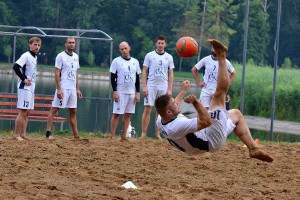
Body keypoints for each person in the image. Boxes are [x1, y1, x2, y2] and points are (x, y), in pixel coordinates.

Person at [155, 39, 273, 163]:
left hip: (206, 140)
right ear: (168, 112)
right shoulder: (176, 126)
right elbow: (206, 121)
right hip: (211, 139)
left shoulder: (161, 119)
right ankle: (222, 55)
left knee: (236, 114)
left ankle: (253, 148)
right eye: (174, 103)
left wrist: (183, 91)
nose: (177, 103)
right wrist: (196, 102)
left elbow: (174, 105)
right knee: (219, 94)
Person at [46, 37, 82, 139]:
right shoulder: (60, 56)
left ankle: (76, 135)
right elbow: (57, 74)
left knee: (73, 111)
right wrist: (59, 89)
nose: (71, 44)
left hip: (72, 89)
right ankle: (48, 133)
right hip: (63, 87)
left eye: (73, 43)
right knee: (54, 109)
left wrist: (77, 89)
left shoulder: (76, 56)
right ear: (65, 44)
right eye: (69, 42)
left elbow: (75, 73)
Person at [140, 35, 175, 139]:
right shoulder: (149, 55)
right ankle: (143, 134)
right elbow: (144, 71)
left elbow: (171, 73)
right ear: (156, 43)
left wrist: (169, 89)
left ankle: (157, 134)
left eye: (162, 43)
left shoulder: (169, 57)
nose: (160, 45)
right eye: (159, 43)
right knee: (148, 108)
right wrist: (144, 86)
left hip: (163, 86)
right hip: (151, 85)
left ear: (165, 44)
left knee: (161, 110)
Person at [110, 41, 141, 141]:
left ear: (129, 48)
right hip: (121, 92)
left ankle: (123, 136)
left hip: (131, 93)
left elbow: (137, 78)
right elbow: (112, 77)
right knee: (116, 114)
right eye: (122, 49)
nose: (124, 50)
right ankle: (113, 136)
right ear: (120, 50)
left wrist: (138, 92)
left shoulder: (135, 62)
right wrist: (115, 91)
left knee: (128, 114)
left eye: (125, 48)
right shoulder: (116, 61)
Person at [12, 37, 42, 141]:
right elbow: (15, 66)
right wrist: (24, 79)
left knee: (28, 111)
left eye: (38, 45)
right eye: (35, 45)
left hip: (31, 87)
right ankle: (16, 135)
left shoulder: (35, 57)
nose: (37, 47)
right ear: (30, 45)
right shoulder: (26, 55)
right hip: (24, 87)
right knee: (23, 111)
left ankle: (23, 133)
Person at [191, 45, 236, 110]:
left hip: (218, 91)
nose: (215, 50)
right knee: (203, 111)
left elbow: (234, 73)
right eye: (213, 48)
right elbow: (194, 69)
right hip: (206, 90)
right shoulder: (206, 60)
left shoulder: (225, 61)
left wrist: (227, 84)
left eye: (217, 49)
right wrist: (198, 82)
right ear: (211, 49)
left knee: (217, 112)